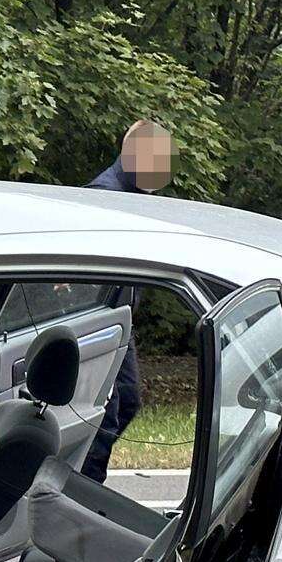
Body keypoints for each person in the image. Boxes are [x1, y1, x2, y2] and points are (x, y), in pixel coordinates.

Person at [79, 119, 174, 482]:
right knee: (107, 411)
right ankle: (84, 489)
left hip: (121, 321)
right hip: (99, 321)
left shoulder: (136, 194)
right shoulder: (104, 196)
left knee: (128, 401)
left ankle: (81, 479)